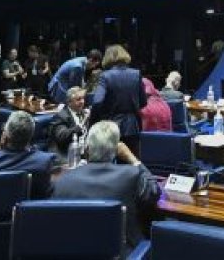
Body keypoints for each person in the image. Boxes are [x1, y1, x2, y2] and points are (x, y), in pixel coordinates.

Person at [51, 120, 160, 252]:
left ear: (87, 149)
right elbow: (154, 191)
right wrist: (133, 159)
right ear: (116, 150)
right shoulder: (131, 175)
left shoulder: (63, 180)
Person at [89, 44, 145, 155]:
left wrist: (96, 121)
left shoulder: (105, 76)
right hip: (133, 126)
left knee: (113, 164)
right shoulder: (136, 74)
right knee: (133, 161)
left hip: (112, 126)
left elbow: (97, 102)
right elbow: (143, 101)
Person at [49, 86, 91, 165]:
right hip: (65, 153)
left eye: (83, 98)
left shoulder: (84, 113)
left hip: (82, 152)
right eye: (78, 99)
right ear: (69, 102)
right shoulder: (60, 116)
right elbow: (62, 136)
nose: (82, 102)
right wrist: (81, 124)